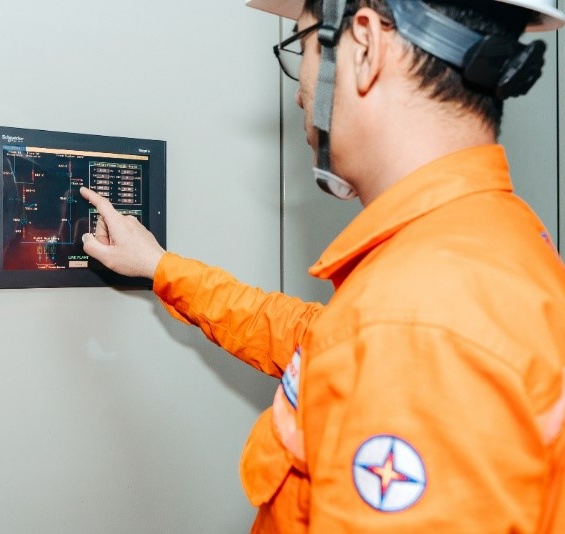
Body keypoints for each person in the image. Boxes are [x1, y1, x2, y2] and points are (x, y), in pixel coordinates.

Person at [80, 0, 565, 531]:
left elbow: (382, 339)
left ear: (365, 46)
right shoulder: (489, 236)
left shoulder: (412, 325)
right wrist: (159, 266)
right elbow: (319, 337)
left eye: (304, 47)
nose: (299, 92)